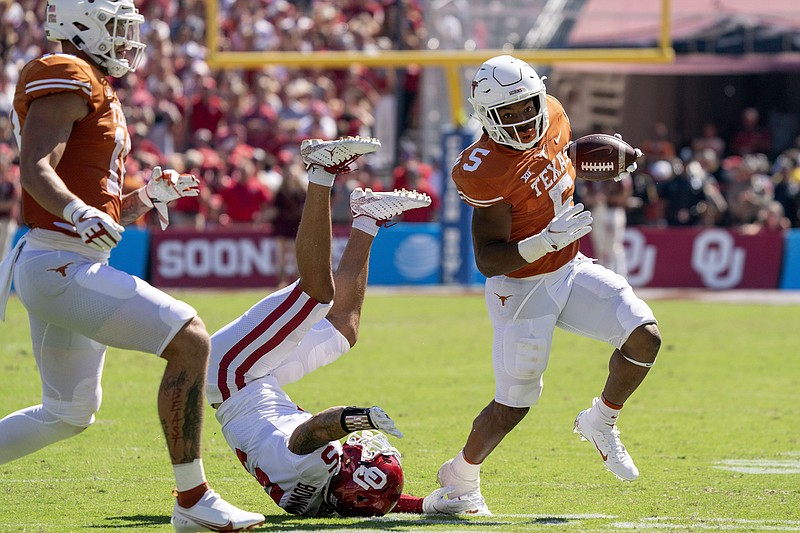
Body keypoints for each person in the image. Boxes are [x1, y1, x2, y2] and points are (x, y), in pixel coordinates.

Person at [0, 1, 264, 531]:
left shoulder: (92, 81)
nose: (125, 41)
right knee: (190, 338)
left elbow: (90, 198)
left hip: (60, 260)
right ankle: (193, 500)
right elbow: (35, 170)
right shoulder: (66, 70)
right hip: (60, 262)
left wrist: (143, 197)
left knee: (67, 412)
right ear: (79, 26)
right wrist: (76, 210)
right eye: (116, 28)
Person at [439, 55, 662, 514]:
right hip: (520, 288)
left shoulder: (554, 113)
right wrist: (543, 241)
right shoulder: (485, 168)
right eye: (509, 114)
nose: (523, 121)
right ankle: (459, 479)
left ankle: (600, 420)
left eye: (527, 107)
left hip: (569, 267)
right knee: (515, 404)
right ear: (486, 118)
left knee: (644, 335)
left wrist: (604, 157)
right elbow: (487, 258)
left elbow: (564, 153)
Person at [206, 136, 474, 518]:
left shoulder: (312, 464)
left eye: (360, 457)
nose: (362, 449)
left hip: (232, 373)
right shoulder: (325, 500)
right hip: (259, 384)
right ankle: (367, 217)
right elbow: (370, 500)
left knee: (316, 295)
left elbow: (310, 434)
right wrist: (423, 505)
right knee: (344, 329)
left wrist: (354, 418)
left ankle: (320, 170)